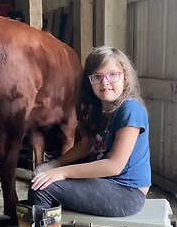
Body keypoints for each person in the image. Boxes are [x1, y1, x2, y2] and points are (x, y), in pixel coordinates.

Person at [29, 46, 151, 217]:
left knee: (42, 189)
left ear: (125, 77)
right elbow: (87, 144)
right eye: (97, 77)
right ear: (90, 82)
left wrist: (60, 172)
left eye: (113, 75)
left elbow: (114, 166)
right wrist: (56, 163)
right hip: (108, 183)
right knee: (43, 180)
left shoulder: (130, 110)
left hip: (128, 193)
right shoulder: (102, 108)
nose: (105, 82)